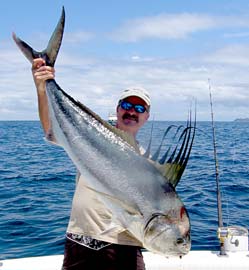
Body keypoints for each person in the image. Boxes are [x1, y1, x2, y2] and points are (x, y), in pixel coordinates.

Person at [32, 58, 151, 270]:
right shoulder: (89, 139)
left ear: (146, 116)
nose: (131, 111)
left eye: (139, 108)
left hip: (125, 247)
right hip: (81, 240)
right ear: (117, 109)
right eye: (126, 105)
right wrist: (42, 88)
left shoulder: (149, 163)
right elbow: (51, 128)